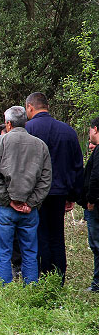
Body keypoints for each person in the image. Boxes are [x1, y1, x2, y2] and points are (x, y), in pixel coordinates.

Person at [0, 106, 52, 284]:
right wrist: (31, 202)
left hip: (5, 208)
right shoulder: (40, 145)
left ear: (8, 123)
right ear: (26, 122)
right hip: (30, 209)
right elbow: (45, 179)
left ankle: (6, 289)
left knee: (3, 252)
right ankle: (31, 286)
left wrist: (9, 200)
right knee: (30, 250)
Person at [24, 92, 84, 285]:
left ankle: (42, 276)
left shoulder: (27, 129)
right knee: (57, 236)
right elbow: (77, 165)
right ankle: (59, 278)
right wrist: (73, 194)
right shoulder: (67, 131)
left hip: (35, 193)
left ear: (30, 107)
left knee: (39, 234)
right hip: (60, 192)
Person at [79, 117, 99, 292]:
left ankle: (97, 283)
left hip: (96, 206)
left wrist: (91, 200)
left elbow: (95, 178)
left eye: (90, 131)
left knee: (96, 243)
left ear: (95, 129)